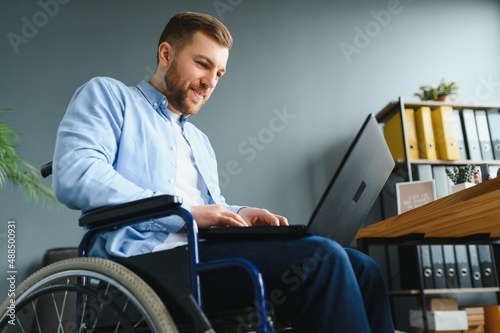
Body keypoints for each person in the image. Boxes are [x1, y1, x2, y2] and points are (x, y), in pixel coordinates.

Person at [53, 11, 395, 332]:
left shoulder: (198, 141)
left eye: (219, 74)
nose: (210, 82)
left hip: (200, 257)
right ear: (166, 54)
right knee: (323, 259)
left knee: (361, 266)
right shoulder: (109, 96)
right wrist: (184, 214)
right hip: (142, 265)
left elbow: (207, 209)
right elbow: (76, 174)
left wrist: (239, 213)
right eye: (202, 64)